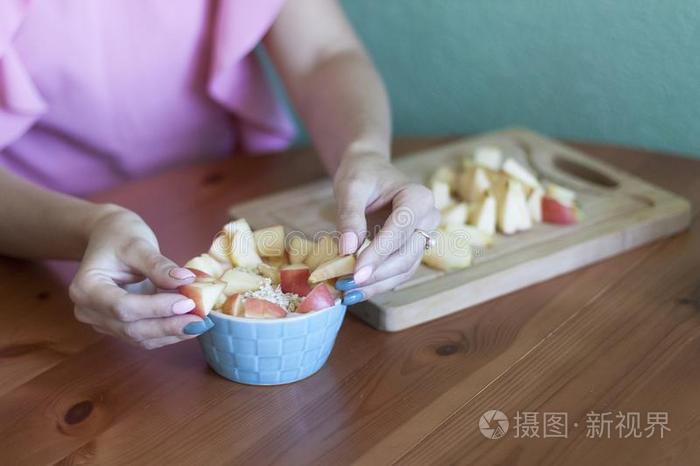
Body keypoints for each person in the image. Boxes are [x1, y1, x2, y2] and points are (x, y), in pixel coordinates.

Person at [0, 0, 438, 349]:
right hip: (38, 249)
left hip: (223, 204)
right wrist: (89, 227)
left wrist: (363, 150)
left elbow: (324, 54)